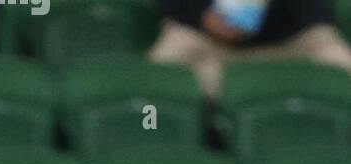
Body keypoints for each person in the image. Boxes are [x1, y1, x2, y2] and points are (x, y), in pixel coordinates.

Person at [150, 0, 351, 96]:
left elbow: (316, 10)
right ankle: (151, 139)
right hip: (209, 44)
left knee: (339, 59)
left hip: (290, 43)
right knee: (161, 68)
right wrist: (202, 16)